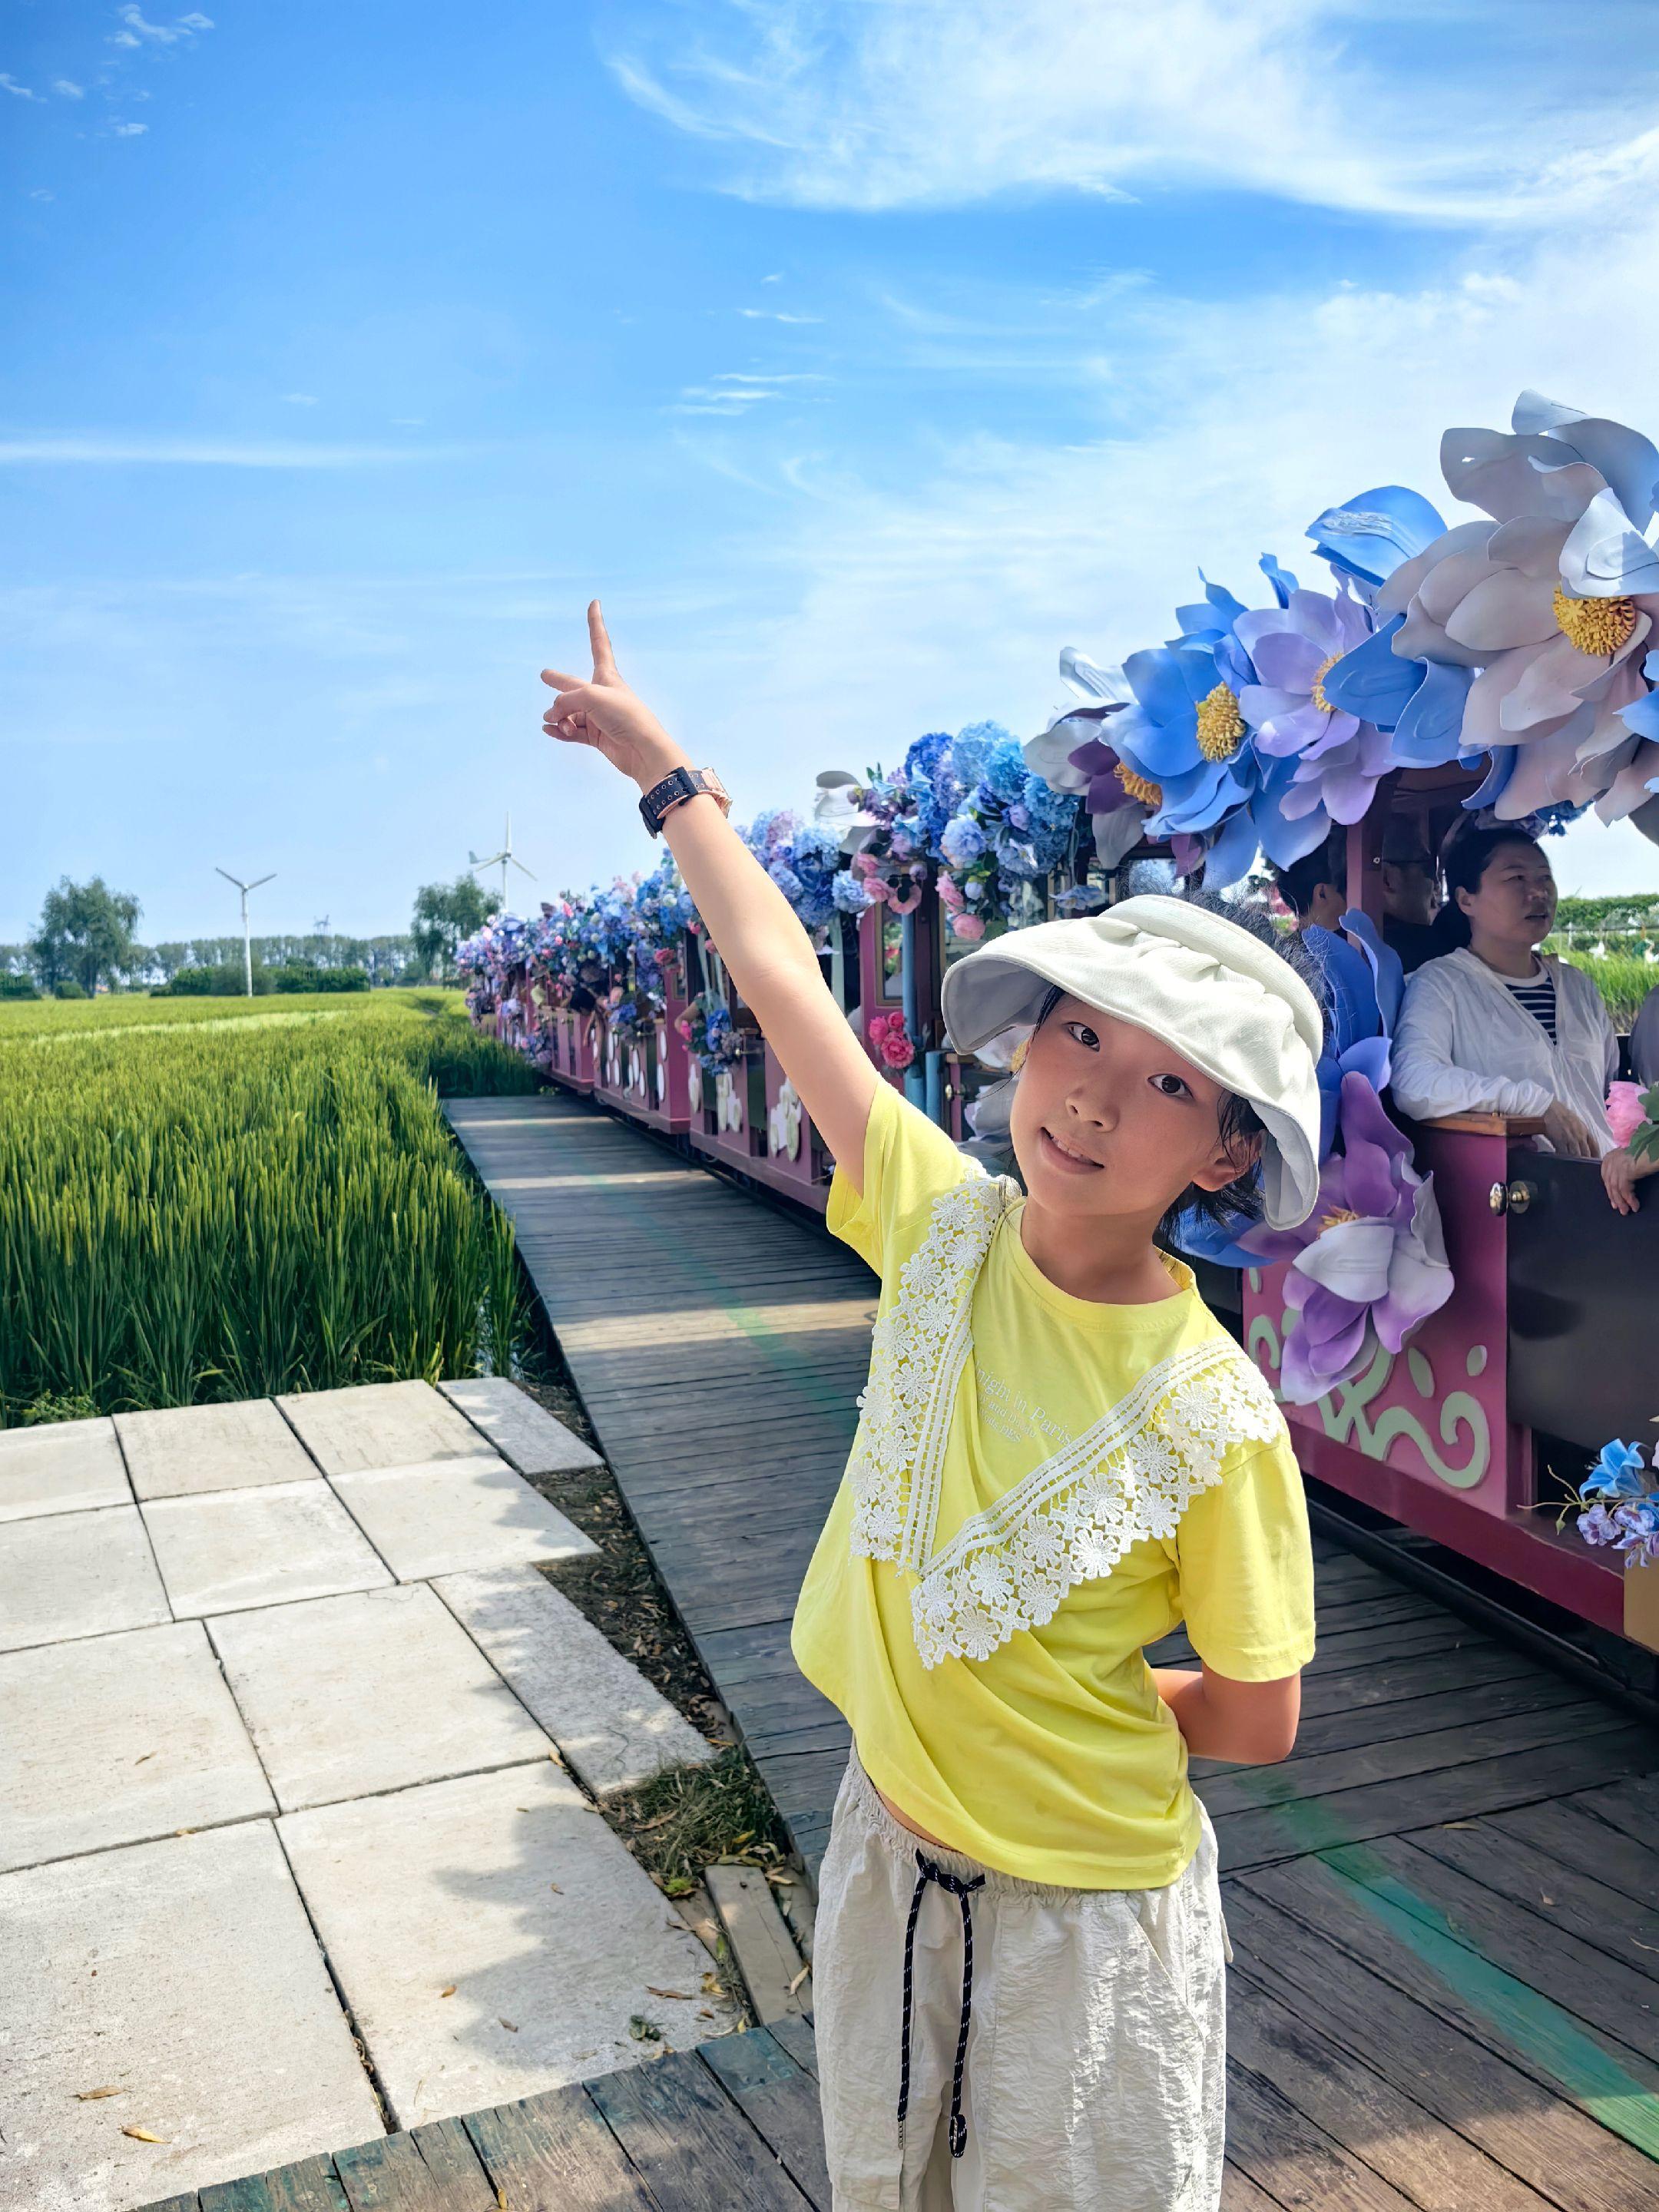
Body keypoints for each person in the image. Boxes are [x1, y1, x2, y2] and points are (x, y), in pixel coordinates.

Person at [543, 604, 1320, 2211]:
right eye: (1080, 1034)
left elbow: (1258, 1718)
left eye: (1171, 1082)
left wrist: (1067, 1692)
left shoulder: (1214, 1415)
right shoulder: (939, 1223)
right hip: (889, 1853)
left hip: (1083, 1916)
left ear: (1227, 1153)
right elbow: (783, 986)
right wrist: (669, 777)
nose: (1094, 1094)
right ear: (1027, 1045)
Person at [1390, 819, 1657, 1214]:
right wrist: (1534, 1104)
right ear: (1466, 900)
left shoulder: (1578, 986)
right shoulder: (1441, 984)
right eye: (1516, 878)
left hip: (1611, 1191)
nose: (1539, 892)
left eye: (1545, 878)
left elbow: (1605, 1084)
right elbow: (1414, 1082)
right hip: (1524, 1202)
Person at [1378, 820, 1440, 975]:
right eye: (1428, 868)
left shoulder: (1346, 943)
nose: (1437, 884)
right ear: (1388, 879)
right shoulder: (1434, 954)